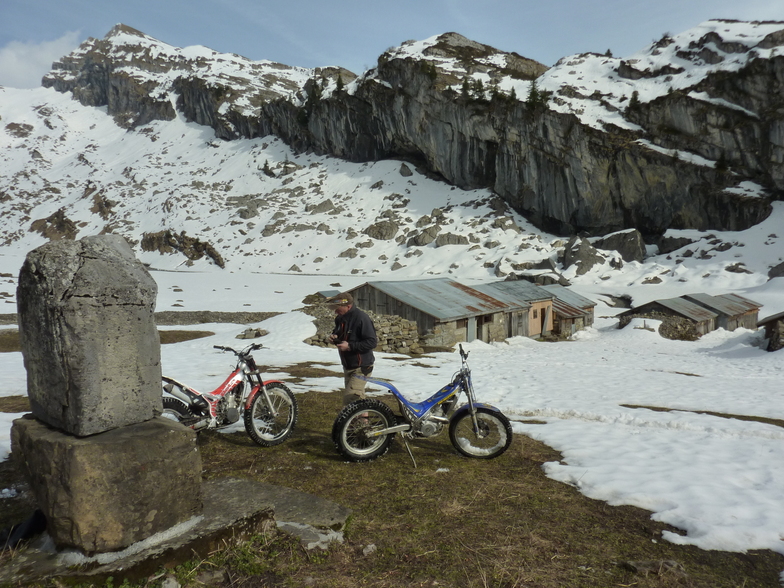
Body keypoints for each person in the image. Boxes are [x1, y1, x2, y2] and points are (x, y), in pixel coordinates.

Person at [326, 292, 377, 406]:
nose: (335, 311)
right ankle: (364, 423)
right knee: (358, 398)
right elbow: (339, 333)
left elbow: (372, 342)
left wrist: (349, 346)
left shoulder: (361, 318)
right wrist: (334, 337)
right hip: (348, 365)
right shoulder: (340, 319)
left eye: (337, 308)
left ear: (348, 306)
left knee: (350, 399)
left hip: (362, 366)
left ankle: (352, 423)